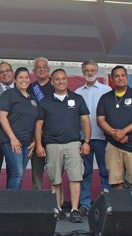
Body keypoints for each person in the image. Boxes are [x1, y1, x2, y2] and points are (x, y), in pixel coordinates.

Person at [35, 68, 91, 223]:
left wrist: (86, 142)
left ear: (67, 80)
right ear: (52, 82)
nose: (61, 81)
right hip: (52, 145)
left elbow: (85, 121)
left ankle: (74, 210)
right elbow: (39, 124)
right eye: (57, 79)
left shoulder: (77, 98)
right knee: (55, 179)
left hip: (74, 144)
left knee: (75, 178)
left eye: (63, 79)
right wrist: (39, 144)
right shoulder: (45, 101)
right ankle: (58, 209)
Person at [97, 66, 132, 190]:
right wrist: (115, 134)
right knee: (116, 182)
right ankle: (119, 209)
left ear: (127, 77)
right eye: (117, 76)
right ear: (112, 79)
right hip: (114, 146)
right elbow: (100, 120)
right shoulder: (105, 98)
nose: (120, 78)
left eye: (122, 75)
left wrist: (123, 132)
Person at [74, 60, 112, 217]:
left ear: (97, 71)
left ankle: (106, 203)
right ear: (83, 72)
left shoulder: (107, 89)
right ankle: (84, 204)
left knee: (105, 171)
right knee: (85, 172)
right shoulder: (77, 92)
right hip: (84, 139)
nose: (89, 73)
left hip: (103, 137)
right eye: (86, 70)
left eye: (92, 70)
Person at [0, 67, 38, 189]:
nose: (24, 80)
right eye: (21, 77)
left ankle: (12, 203)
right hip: (11, 141)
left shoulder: (32, 98)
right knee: (17, 174)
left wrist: (34, 141)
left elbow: (34, 121)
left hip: (27, 142)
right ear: (15, 79)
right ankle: (10, 206)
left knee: (19, 175)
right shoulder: (8, 94)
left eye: (26, 77)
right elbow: (2, 117)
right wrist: (13, 138)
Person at [27, 57, 54, 191]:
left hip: (53, 134)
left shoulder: (56, 86)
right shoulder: (29, 88)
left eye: (44, 67)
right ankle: (37, 200)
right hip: (35, 135)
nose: (42, 69)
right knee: (36, 171)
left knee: (54, 171)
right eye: (38, 67)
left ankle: (55, 203)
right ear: (34, 71)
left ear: (48, 70)